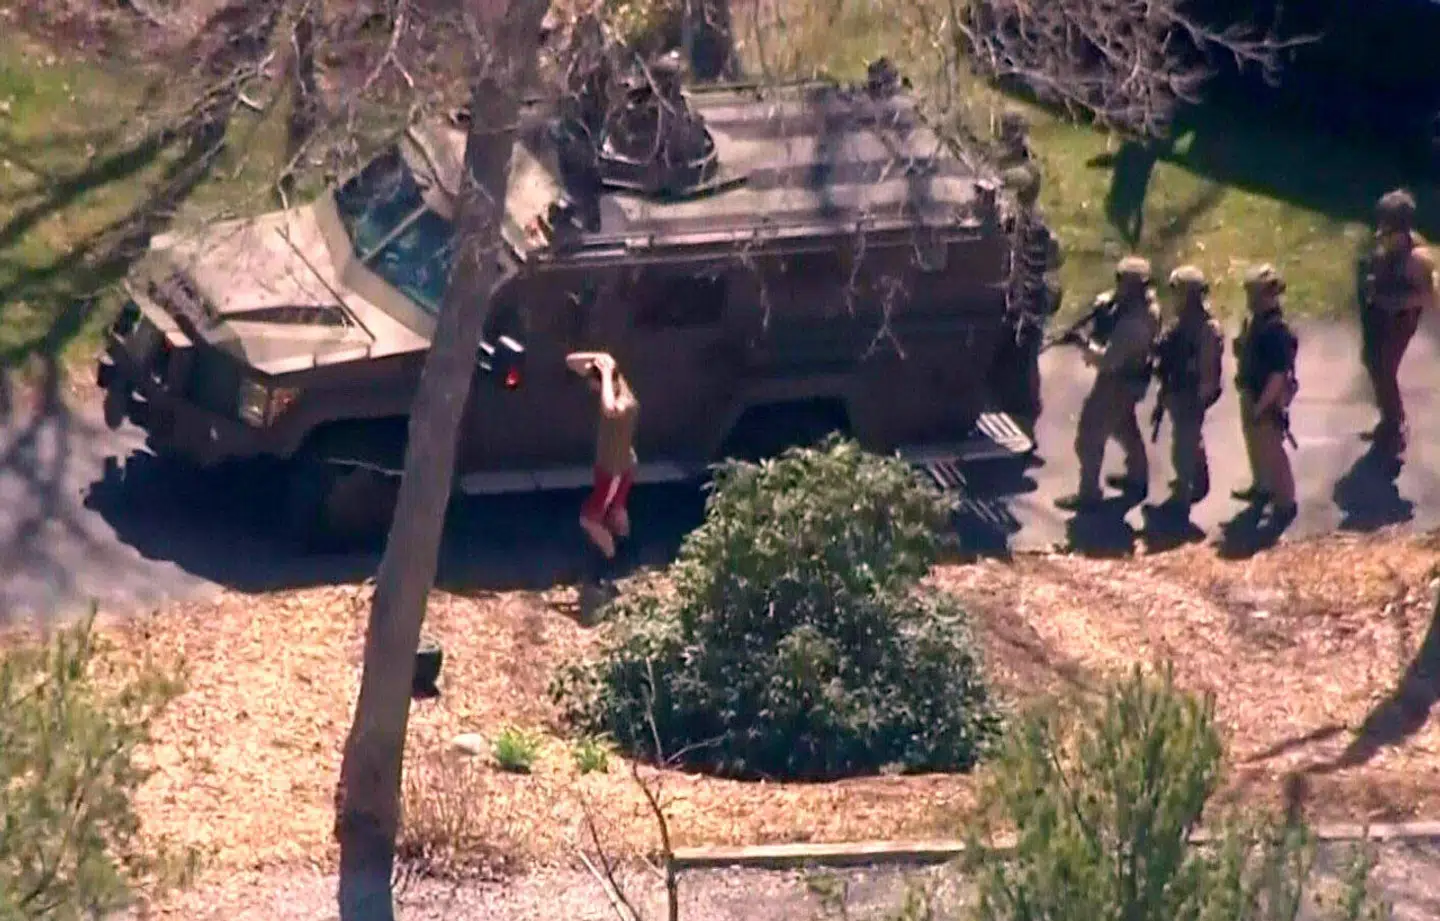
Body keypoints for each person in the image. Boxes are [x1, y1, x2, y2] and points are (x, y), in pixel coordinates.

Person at [1055, 255, 1162, 511]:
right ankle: (1138, 477)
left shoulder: (1135, 323)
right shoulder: (1139, 307)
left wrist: (1083, 343)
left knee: (1090, 435)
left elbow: (1108, 361)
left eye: (1122, 282)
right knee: (1124, 427)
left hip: (1118, 382)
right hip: (1129, 382)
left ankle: (1088, 493)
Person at [1357, 188, 1436, 455]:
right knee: (1370, 360)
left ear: (1401, 229)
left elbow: (1428, 298)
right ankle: (1387, 418)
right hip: (1380, 312)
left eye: (1387, 226)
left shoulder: (1417, 260)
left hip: (1400, 321)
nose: (1381, 232)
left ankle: (1395, 425)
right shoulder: (1389, 243)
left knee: (1384, 368)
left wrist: (1395, 301)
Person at [992, 165, 1063, 434]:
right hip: (1021, 302)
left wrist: (1025, 313)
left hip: (1030, 306)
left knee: (1026, 361)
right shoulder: (1021, 219)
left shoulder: (1034, 228)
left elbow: (1031, 274)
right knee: (1019, 360)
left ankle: (1027, 422)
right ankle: (1019, 410)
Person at [1151, 265, 1224, 509]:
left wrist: (1199, 401)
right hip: (1177, 389)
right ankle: (1197, 478)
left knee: (1182, 446)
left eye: (1177, 292)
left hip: (1191, 394)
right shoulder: (1181, 323)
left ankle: (1181, 496)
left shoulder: (1205, 329)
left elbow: (1209, 369)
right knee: (1188, 440)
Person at [1232, 264, 1299, 526]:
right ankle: (1262, 488)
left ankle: (1285, 503)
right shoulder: (1256, 322)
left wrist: (1262, 405)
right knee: (1255, 445)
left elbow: (1278, 374)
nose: (1250, 299)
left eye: (1254, 293)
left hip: (1266, 398)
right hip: (1251, 391)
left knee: (1272, 451)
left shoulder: (1276, 330)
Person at [566, 351, 640, 560]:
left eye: (593, 383)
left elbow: (609, 409)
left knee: (589, 519)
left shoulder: (623, 401)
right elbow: (570, 361)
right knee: (617, 510)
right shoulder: (617, 380)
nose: (590, 387)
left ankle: (610, 561)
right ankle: (628, 551)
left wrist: (605, 375)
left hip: (613, 471)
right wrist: (603, 359)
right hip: (622, 463)